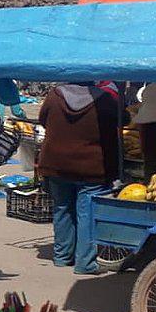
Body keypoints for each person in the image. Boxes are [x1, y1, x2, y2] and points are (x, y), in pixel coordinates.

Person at [37, 83, 123, 275]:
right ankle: (85, 263)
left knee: (62, 209)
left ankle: (62, 257)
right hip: (91, 166)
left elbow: (43, 120)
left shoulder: (54, 96)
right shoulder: (104, 100)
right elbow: (122, 120)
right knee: (87, 214)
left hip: (56, 164)